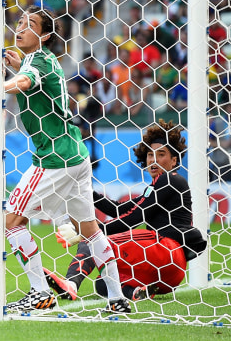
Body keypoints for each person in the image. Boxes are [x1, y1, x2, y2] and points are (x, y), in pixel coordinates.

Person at [2, 5, 129, 313]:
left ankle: (40, 292)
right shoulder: (43, 61)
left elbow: (26, 82)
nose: (20, 28)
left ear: (44, 35)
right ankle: (116, 296)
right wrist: (18, 71)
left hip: (54, 157)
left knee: (12, 221)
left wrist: (0, 85)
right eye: (19, 22)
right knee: (90, 230)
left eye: (30, 24)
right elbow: (32, 82)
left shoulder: (38, 61)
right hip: (76, 154)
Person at [44, 120, 207, 301]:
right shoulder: (154, 188)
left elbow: (135, 217)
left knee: (93, 241)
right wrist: (83, 190)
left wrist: (87, 230)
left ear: (174, 160)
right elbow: (118, 209)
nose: (153, 160)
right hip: (171, 276)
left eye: (161, 154)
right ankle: (134, 292)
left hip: (167, 250)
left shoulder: (170, 179)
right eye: (150, 155)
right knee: (103, 282)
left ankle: (70, 284)